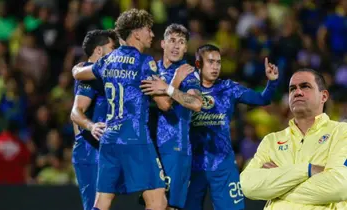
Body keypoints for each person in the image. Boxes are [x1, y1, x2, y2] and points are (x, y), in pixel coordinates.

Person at [72, 9, 168, 210]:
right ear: (136, 33)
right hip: (135, 138)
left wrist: (75, 69)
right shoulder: (145, 62)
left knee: (101, 202)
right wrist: (169, 88)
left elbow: (79, 73)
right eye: (148, 30)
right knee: (158, 200)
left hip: (109, 139)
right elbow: (164, 104)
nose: (152, 35)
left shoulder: (107, 60)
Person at [185, 44, 279, 210]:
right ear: (198, 64)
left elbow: (262, 99)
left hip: (223, 164)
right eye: (211, 62)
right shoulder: (185, 88)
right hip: (192, 163)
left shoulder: (228, 88)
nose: (215, 67)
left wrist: (271, 83)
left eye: (218, 63)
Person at [240, 69, 347, 209]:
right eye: (292, 89)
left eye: (305, 86)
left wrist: (278, 184)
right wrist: (307, 170)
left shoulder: (341, 132)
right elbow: (247, 185)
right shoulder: (271, 140)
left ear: (324, 96)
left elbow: (338, 186)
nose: (297, 92)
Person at [140, 23, 202, 210]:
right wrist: (174, 83)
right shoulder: (151, 69)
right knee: (153, 204)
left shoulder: (189, 74)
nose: (176, 46)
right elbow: (164, 104)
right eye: (172, 40)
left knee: (170, 207)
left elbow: (196, 103)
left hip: (175, 148)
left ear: (185, 48)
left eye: (181, 42)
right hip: (149, 148)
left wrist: (167, 87)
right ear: (162, 43)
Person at [70, 29, 117, 210]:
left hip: (109, 146)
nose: (116, 53)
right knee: (94, 206)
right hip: (90, 149)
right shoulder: (88, 75)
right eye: (112, 48)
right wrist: (92, 126)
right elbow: (75, 111)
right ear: (99, 51)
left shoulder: (96, 73)